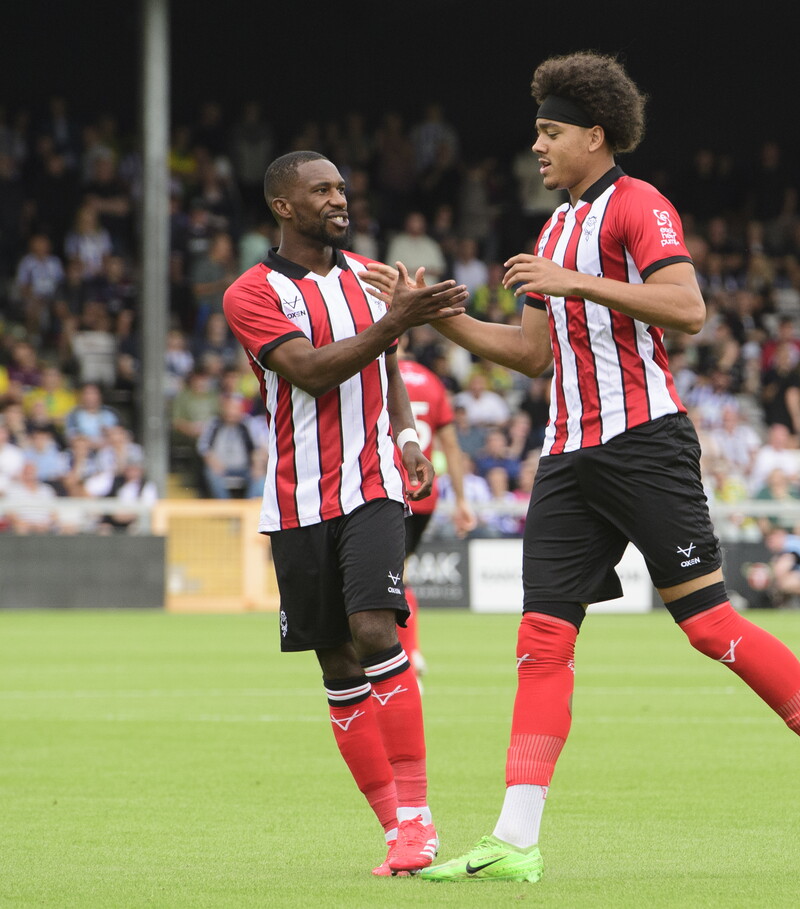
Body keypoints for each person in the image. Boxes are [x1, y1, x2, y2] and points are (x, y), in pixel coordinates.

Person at [418, 52, 800, 883]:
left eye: (551, 131)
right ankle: (515, 839)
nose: (537, 146)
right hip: (566, 455)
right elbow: (530, 356)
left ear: (595, 135)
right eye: (537, 131)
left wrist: (577, 282)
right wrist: (436, 320)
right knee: (541, 643)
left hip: (644, 443)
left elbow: (689, 308)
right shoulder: (553, 231)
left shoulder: (639, 205)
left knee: (709, 627)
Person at [222, 150, 468, 877]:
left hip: (373, 483)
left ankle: (420, 817)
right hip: (298, 499)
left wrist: (409, 434)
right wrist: (395, 317)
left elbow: (388, 361)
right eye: (321, 189)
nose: (340, 197)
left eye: (341, 187)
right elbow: (311, 369)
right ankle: (394, 827)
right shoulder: (251, 292)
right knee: (335, 661)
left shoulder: (368, 275)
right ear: (284, 206)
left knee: (371, 628)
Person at [396, 337, 476, 679]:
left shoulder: (375, 374)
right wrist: (460, 499)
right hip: (426, 494)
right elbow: (451, 446)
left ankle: (407, 653)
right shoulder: (431, 381)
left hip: (387, 490)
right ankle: (408, 651)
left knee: (391, 577)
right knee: (400, 571)